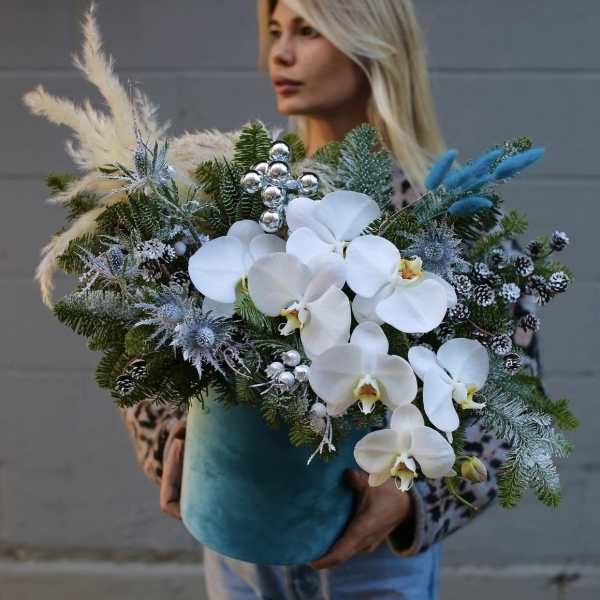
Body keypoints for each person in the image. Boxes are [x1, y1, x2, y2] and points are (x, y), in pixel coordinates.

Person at [118, 1, 543, 598]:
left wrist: (411, 500)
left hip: (374, 559)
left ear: (371, 43)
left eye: (309, 30)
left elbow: (515, 405)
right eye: (275, 31)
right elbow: (147, 339)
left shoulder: (449, 220)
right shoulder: (237, 199)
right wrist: (171, 439)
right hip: (241, 539)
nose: (281, 53)